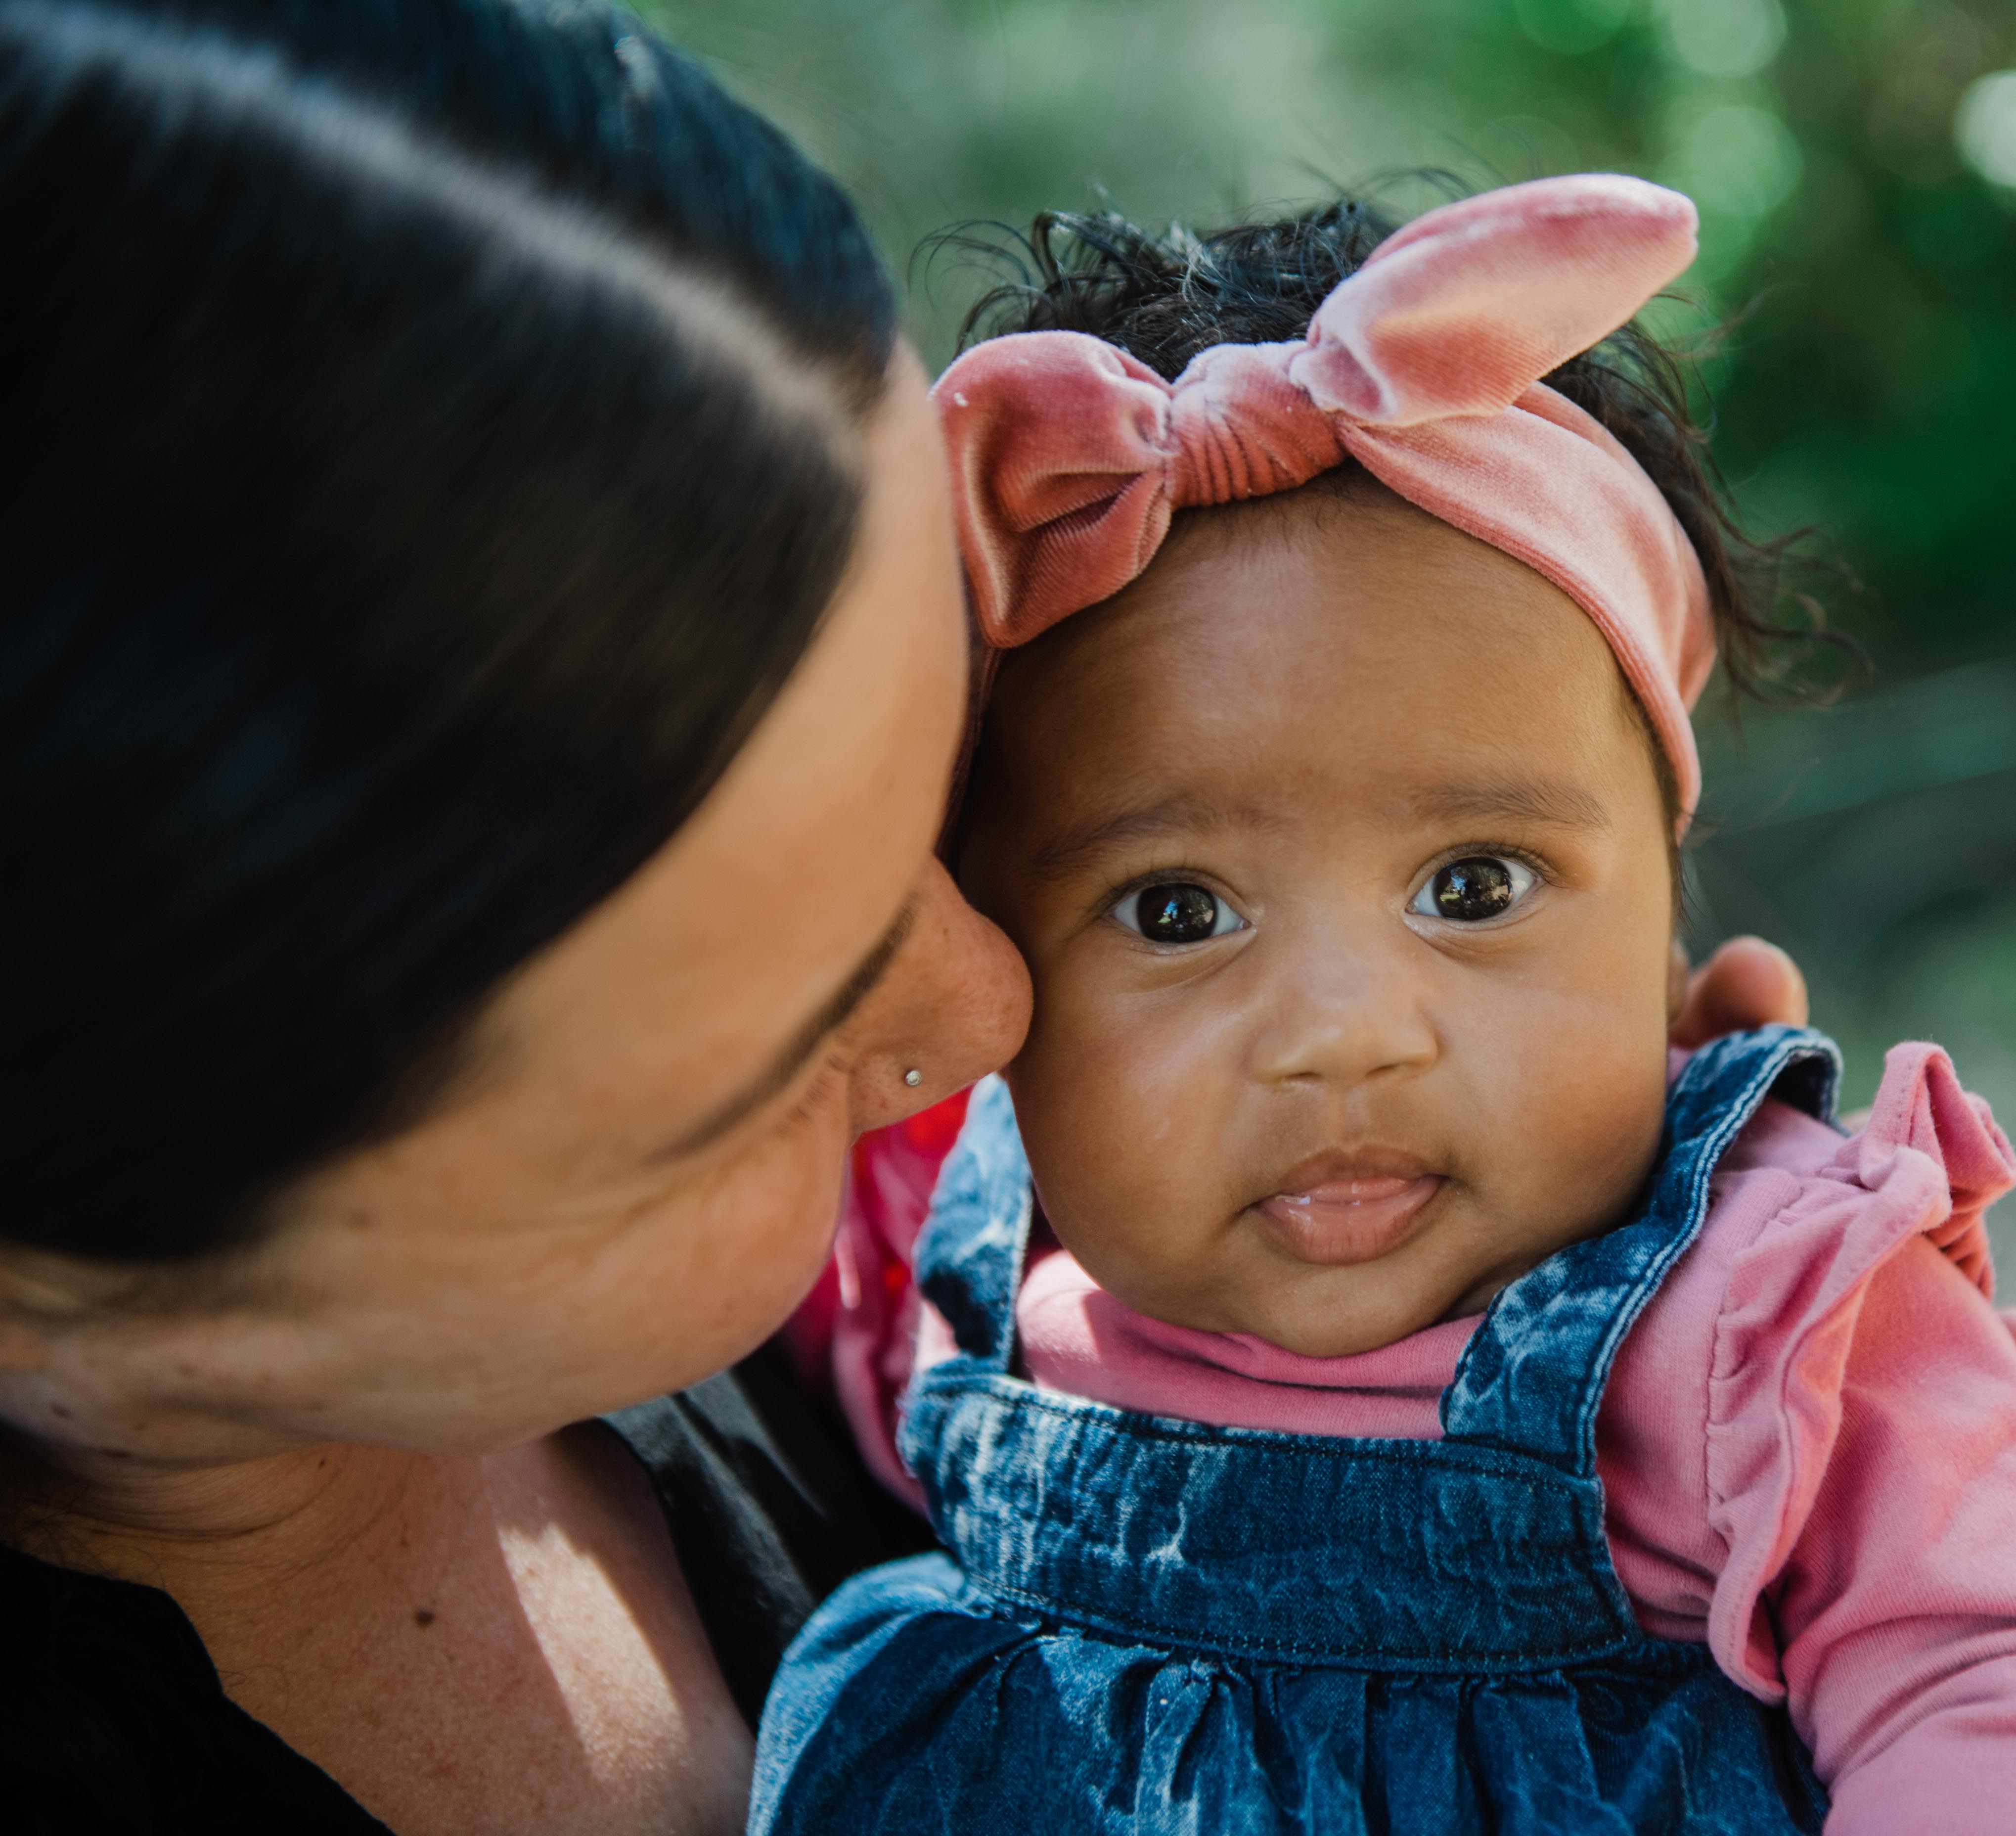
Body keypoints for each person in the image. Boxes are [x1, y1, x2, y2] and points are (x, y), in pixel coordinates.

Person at [0, 8, 1916, 1833]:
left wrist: (1761, 1494)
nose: (992, 1010)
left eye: (935, 810)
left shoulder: (945, 1302)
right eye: (781, 1032)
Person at [747, 179, 2016, 1834]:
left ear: (1671, 952)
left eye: (1476, 887)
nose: (1347, 1032)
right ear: (996, 970)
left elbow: (1992, 1674)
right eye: (1177, 911)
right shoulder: (954, 1251)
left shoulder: (1755, 1310)